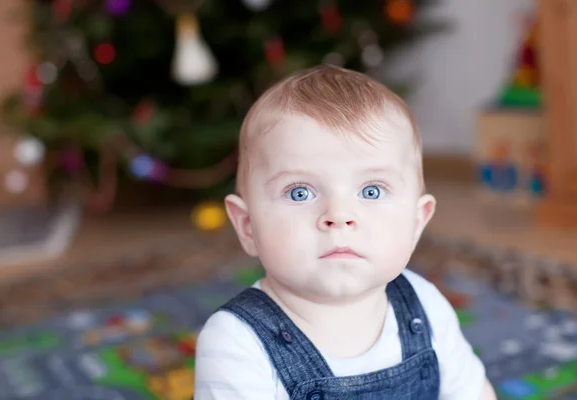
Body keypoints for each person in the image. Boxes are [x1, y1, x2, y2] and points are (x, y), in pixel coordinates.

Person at [193, 65, 497, 400]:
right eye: (300, 192)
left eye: (371, 191)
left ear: (416, 221)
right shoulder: (237, 342)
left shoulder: (425, 306)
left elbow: (471, 392)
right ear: (248, 226)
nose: (338, 216)